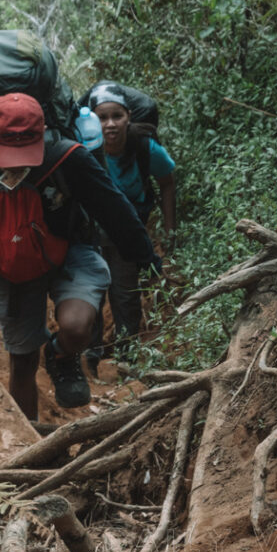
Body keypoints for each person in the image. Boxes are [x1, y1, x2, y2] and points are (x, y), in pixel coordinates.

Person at [0, 93, 159, 420]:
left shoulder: (68, 157)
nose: (18, 162)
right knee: (22, 360)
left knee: (77, 328)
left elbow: (112, 206)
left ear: (43, 132)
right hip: (11, 260)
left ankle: (60, 355)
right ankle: (30, 447)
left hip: (71, 248)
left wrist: (145, 256)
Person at [80, 81, 177, 371]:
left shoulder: (145, 147)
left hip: (127, 236)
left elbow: (168, 183)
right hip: (90, 233)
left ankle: (127, 360)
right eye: (101, 117)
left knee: (125, 294)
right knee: (90, 294)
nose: (110, 124)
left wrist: (170, 232)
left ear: (129, 117)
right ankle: (90, 357)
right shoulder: (83, 150)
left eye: (117, 116)